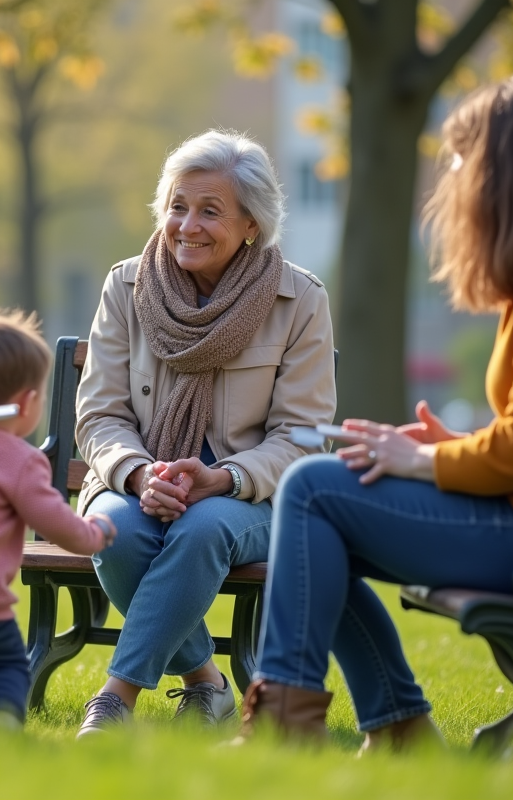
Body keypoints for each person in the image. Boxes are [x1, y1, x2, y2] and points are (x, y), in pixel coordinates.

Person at [240, 76, 513, 750]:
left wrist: (424, 460)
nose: (454, 175)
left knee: (310, 491)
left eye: (462, 157)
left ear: (511, 169)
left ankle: (288, 725)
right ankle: (397, 727)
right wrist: (453, 447)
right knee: (323, 511)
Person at [74, 129, 337, 736]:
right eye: (177, 206)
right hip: (138, 478)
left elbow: (302, 436)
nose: (187, 225)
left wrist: (223, 477)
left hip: (251, 498)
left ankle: (116, 697)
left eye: (209, 211)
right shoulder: (126, 285)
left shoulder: (299, 300)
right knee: (112, 530)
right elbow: (99, 415)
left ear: (252, 224)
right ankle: (208, 684)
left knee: (201, 527)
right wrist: (140, 475)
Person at [0, 309, 117, 732]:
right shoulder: (21, 460)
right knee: (7, 668)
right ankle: (1, 717)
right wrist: (94, 534)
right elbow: (53, 522)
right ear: (29, 403)